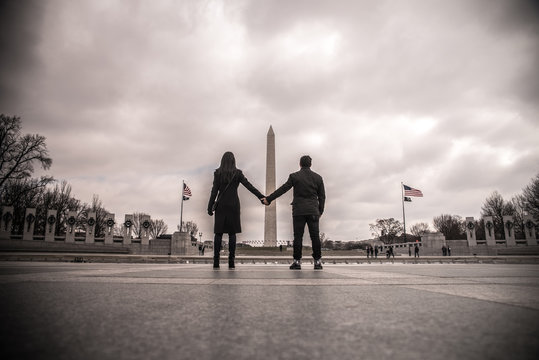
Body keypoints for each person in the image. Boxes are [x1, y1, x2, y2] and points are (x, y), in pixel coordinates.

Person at [262, 155, 325, 270]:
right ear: (310, 164)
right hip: (313, 211)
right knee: (315, 237)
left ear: (300, 164)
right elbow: (322, 197)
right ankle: (317, 261)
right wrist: (320, 211)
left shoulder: (295, 176)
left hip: (299, 211)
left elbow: (283, 189)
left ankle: (297, 261)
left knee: (298, 237)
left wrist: (269, 199)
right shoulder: (318, 178)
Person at [207, 151, 264, 269]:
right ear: (234, 161)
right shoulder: (237, 173)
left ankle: (216, 261)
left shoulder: (218, 173)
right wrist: (261, 197)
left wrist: (210, 206)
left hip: (221, 205)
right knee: (232, 234)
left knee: (218, 233)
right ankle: (231, 261)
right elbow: (249, 186)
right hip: (233, 205)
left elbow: (214, 191)